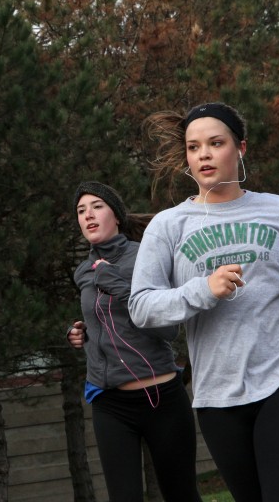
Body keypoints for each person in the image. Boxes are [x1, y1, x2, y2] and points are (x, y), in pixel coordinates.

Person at [129, 102, 279, 502]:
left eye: (216, 143)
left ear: (240, 148)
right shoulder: (168, 226)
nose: (204, 155)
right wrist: (203, 290)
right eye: (194, 147)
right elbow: (141, 306)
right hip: (219, 394)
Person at [67, 181, 202, 502]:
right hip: (111, 403)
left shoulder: (145, 257)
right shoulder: (83, 271)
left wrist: (115, 283)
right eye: (81, 211)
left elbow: (168, 330)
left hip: (161, 398)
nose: (88, 215)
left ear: (116, 215)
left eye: (97, 206)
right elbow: (107, 323)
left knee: (181, 495)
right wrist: (80, 333)